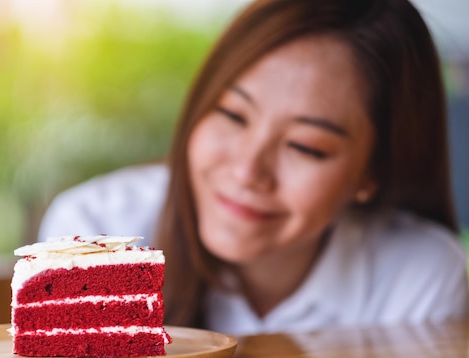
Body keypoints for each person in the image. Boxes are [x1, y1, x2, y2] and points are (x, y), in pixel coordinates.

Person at [38, 0, 469, 336]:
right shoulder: (96, 233)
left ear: (372, 172)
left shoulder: (416, 278)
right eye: (232, 114)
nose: (247, 171)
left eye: (305, 146)